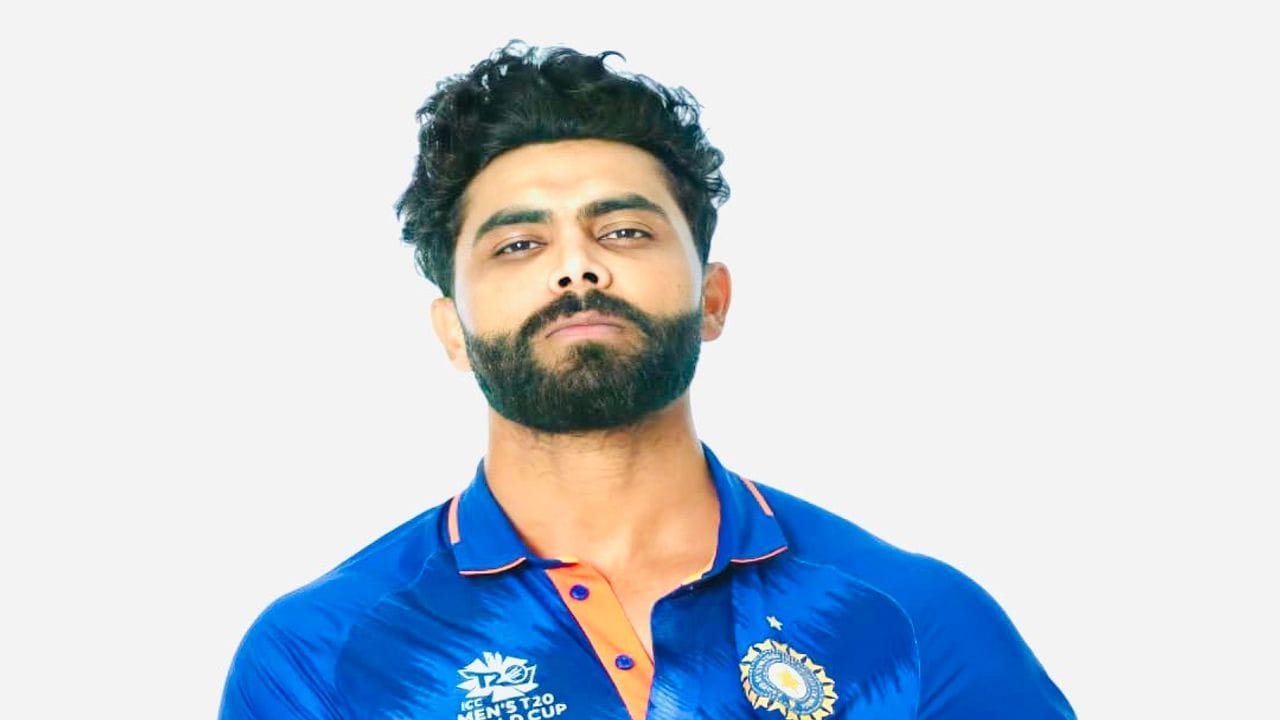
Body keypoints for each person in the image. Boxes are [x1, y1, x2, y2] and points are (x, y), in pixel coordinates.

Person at [219, 41, 1075, 720]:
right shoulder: (321, 653)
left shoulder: (914, 619)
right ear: (454, 331)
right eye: (519, 245)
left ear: (713, 298)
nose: (576, 268)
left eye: (624, 231)